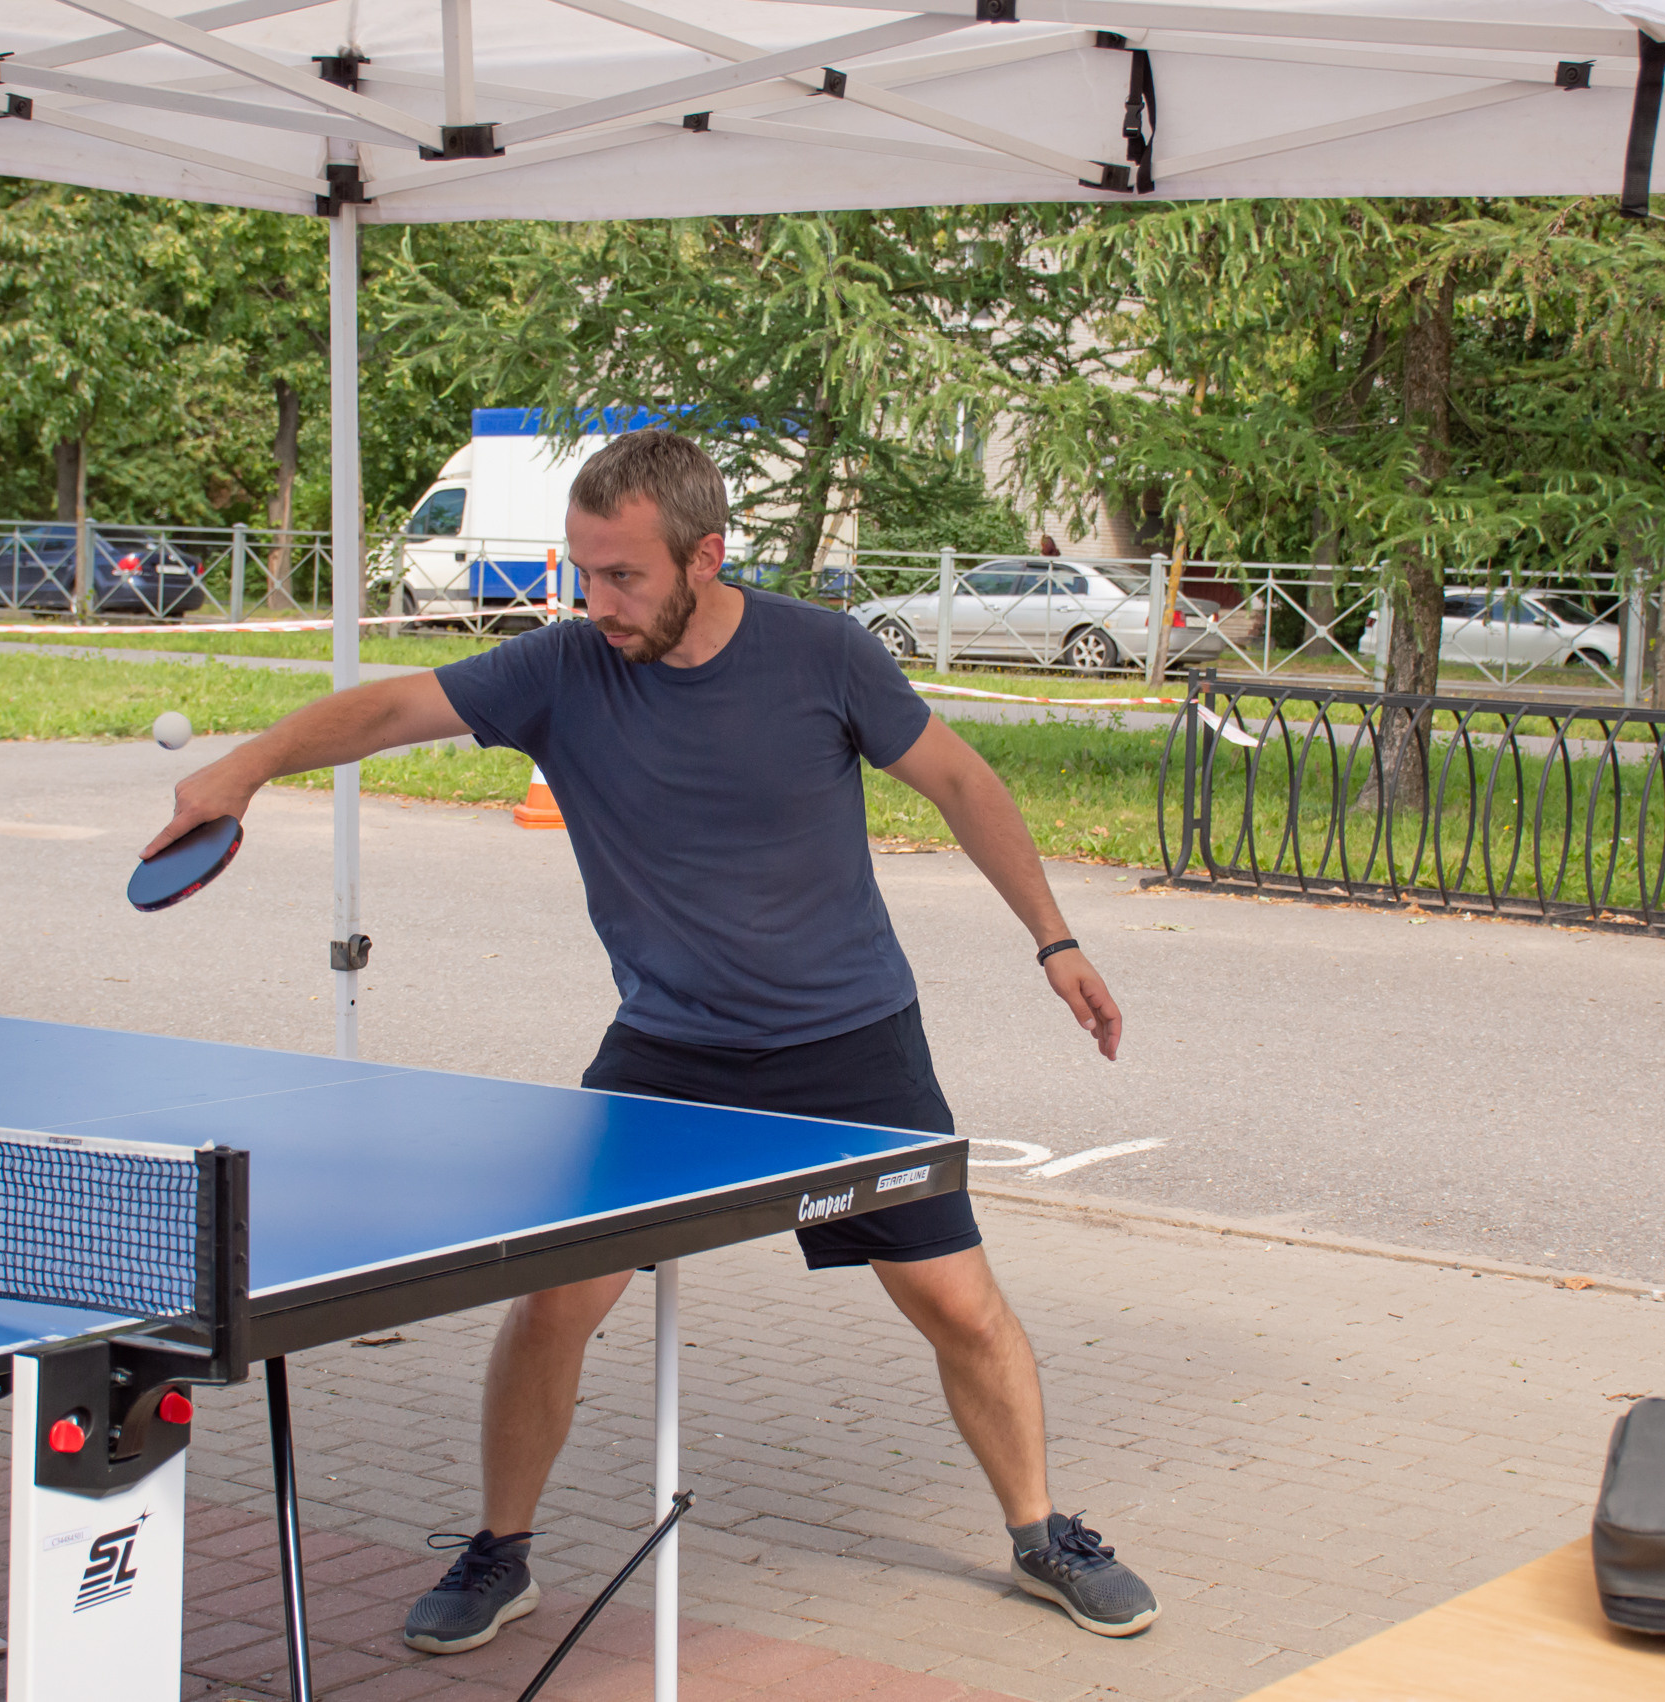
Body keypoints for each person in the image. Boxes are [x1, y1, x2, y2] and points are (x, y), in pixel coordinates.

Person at [145, 430, 1157, 1653]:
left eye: (622, 575)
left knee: (957, 1302)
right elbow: (392, 705)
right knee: (552, 1297)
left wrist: (1054, 941)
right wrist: (245, 769)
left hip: (850, 1046)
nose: (595, 600)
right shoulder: (565, 669)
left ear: (706, 554)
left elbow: (961, 781)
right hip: (667, 1052)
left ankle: (1042, 1530)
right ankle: (499, 1551)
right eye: (581, 569)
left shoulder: (823, 654)